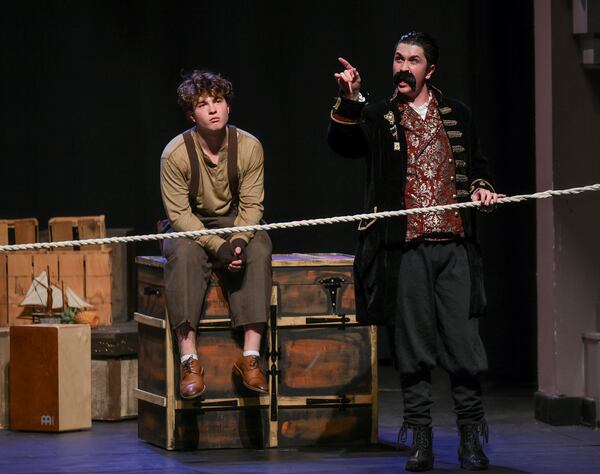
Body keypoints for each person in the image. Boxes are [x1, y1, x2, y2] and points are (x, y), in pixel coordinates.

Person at [328, 32, 503, 471]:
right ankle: (420, 438)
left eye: (414, 60)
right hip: (405, 250)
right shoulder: (379, 115)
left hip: (454, 247)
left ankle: (471, 440)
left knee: (464, 347)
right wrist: (350, 99)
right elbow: (343, 144)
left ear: (430, 69)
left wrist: (481, 189)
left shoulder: (458, 114)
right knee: (413, 349)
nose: (403, 67)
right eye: (398, 59)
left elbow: (477, 165)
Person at [160, 70, 272, 399]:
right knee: (182, 253)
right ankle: (189, 359)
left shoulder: (250, 147)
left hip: (233, 222)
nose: (212, 109)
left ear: (228, 108)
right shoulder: (175, 154)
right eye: (202, 104)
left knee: (260, 246)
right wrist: (217, 248)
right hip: (190, 225)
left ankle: (251, 357)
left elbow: (252, 206)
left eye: (218, 101)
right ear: (190, 114)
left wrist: (236, 242)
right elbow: (179, 215)